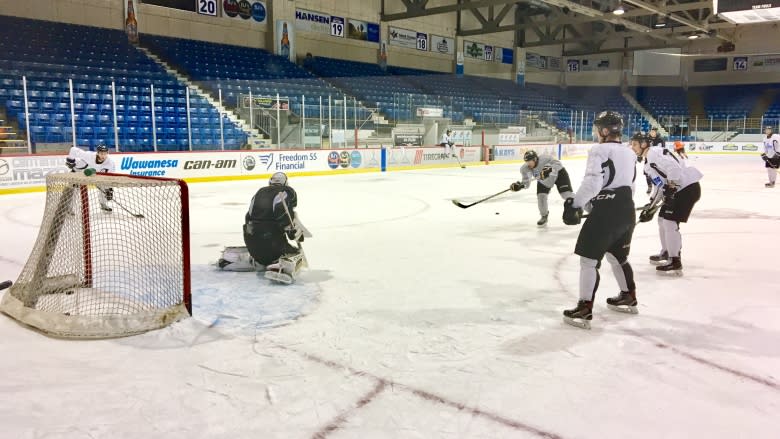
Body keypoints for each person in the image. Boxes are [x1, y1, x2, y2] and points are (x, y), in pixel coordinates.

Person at [561, 111, 638, 329]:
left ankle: (584, 308)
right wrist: (593, 204)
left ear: (604, 130)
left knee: (588, 260)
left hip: (606, 213)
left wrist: (575, 204)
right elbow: (630, 185)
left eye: (597, 128)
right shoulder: (629, 152)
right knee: (618, 257)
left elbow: (594, 183)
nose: (596, 132)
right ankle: (628, 296)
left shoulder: (598, 150)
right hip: (626, 209)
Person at [217, 172, 307, 284]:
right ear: (285, 183)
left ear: (270, 182)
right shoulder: (286, 191)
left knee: (261, 249)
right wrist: (292, 232)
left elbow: (248, 218)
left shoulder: (259, 192)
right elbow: (282, 213)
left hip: (252, 243)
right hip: (272, 245)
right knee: (295, 253)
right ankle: (282, 267)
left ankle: (253, 261)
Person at [633, 132, 702, 276]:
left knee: (670, 223)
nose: (632, 147)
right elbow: (659, 186)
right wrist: (652, 205)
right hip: (679, 190)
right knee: (661, 220)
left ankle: (675, 260)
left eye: (634, 144)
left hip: (686, 189)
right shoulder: (648, 164)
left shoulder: (653, 153)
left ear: (644, 144)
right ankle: (666, 252)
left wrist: (671, 186)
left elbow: (674, 168)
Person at [509, 150, 574, 226]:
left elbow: (558, 164)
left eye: (530, 161)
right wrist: (520, 186)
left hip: (559, 175)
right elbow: (526, 182)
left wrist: (549, 169)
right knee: (541, 196)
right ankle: (544, 215)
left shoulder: (545, 158)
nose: (528, 164)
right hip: (544, 181)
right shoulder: (525, 168)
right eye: (527, 162)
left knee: (566, 194)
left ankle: (582, 204)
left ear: (535, 159)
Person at [65, 143, 116, 211]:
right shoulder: (89, 155)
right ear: (97, 153)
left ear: (107, 153)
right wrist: (70, 161)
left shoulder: (110, 163)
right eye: (101, 153)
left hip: (95, 175)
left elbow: (110, 177)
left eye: (105, 153)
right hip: (81, 173)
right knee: (75, 188)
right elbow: (73, 149)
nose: (103, 155)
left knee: (104, 187)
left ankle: (103, 204)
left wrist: (109, 189)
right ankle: (70, 207)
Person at [645, 127, 666, 194]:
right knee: (647, 173)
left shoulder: (660, 140)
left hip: (657, 161)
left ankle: (658, 186)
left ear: (656, 132)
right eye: (651, 131)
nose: (652, 133)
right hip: (647, 159)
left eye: (654, 132)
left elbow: (662, 151)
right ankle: (649, 186)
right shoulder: (647, 139)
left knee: (655, 174)